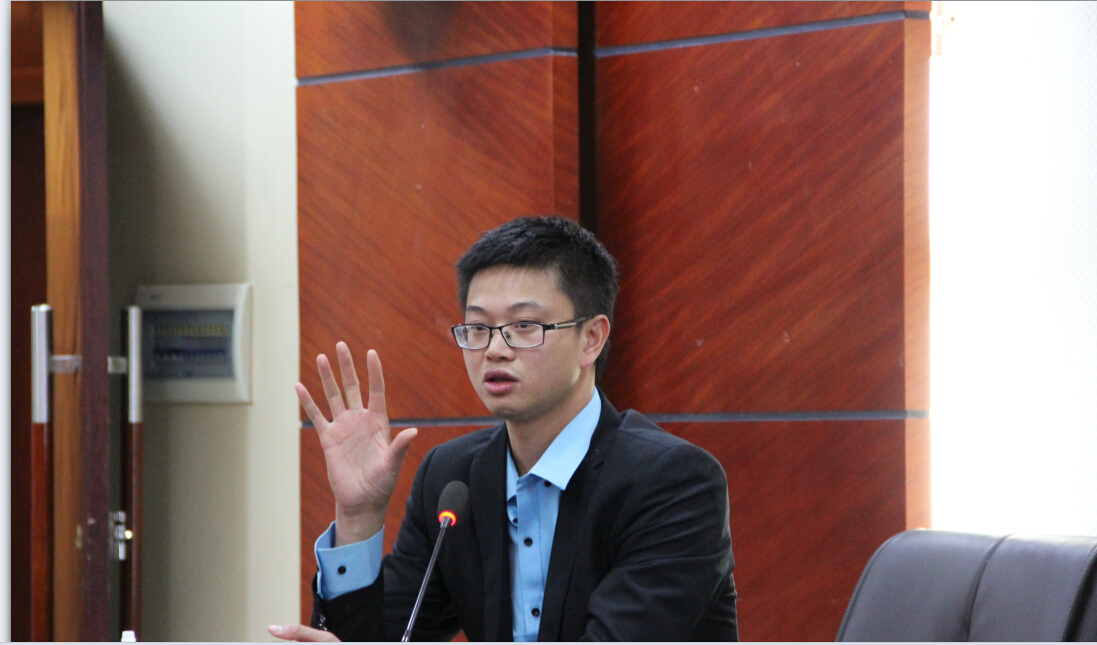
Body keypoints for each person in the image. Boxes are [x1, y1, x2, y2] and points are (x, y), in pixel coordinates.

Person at [269, 216, 738, 642]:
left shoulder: (673, 482)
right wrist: (358, 517)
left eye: (524, 325)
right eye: (478, 328)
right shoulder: (452, 479)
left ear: (591, 339)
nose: (494, 349)